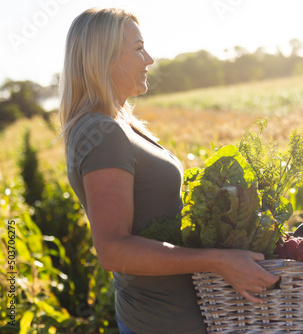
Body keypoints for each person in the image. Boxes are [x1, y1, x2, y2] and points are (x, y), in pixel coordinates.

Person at [59, 8, 279, 334]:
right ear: (102, 57)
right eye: (138, 48)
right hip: (163, 321)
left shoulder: (118, 125)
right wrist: (216, 260)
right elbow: (113, 250)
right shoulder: (103, 134)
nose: (149, 59)